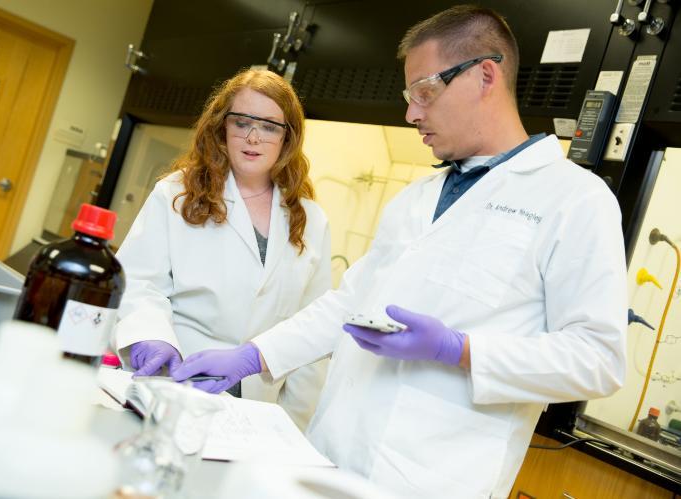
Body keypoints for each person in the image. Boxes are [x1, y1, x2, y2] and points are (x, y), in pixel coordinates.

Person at [170, 5, 627, 498]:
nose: (411, 113)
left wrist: (460, 351)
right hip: (328, 459)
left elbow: (597, 358)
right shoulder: (416, 198)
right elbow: (349, 305)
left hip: (431, 481)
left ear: (484, 75)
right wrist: (254, 356)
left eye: (424, 93)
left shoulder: (574, 198)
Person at [113, 69, 332, 431]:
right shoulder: (177, 193)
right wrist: (150, 335)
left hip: (255, 408)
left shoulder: (310, 218)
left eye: (269, 126)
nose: (252, 137)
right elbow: (137, 281)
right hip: (174, 380)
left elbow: (311, 329)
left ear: (287, 137)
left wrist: (291, 423)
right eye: (242, 121)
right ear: (221, 126)